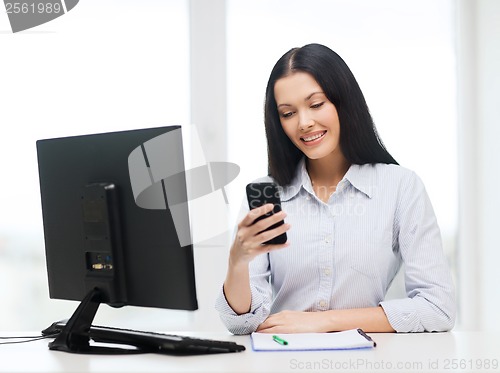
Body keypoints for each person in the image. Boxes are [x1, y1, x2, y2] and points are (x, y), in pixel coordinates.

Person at [215, 43, 456, 335]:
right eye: (288, 113)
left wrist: (323, 322)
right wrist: (237, 261)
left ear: (344, 102)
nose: (304, 123)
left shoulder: (400, 187)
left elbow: (438, 308)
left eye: (316, 105)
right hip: (282, 359)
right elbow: (239, 322)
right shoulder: (268, 194)